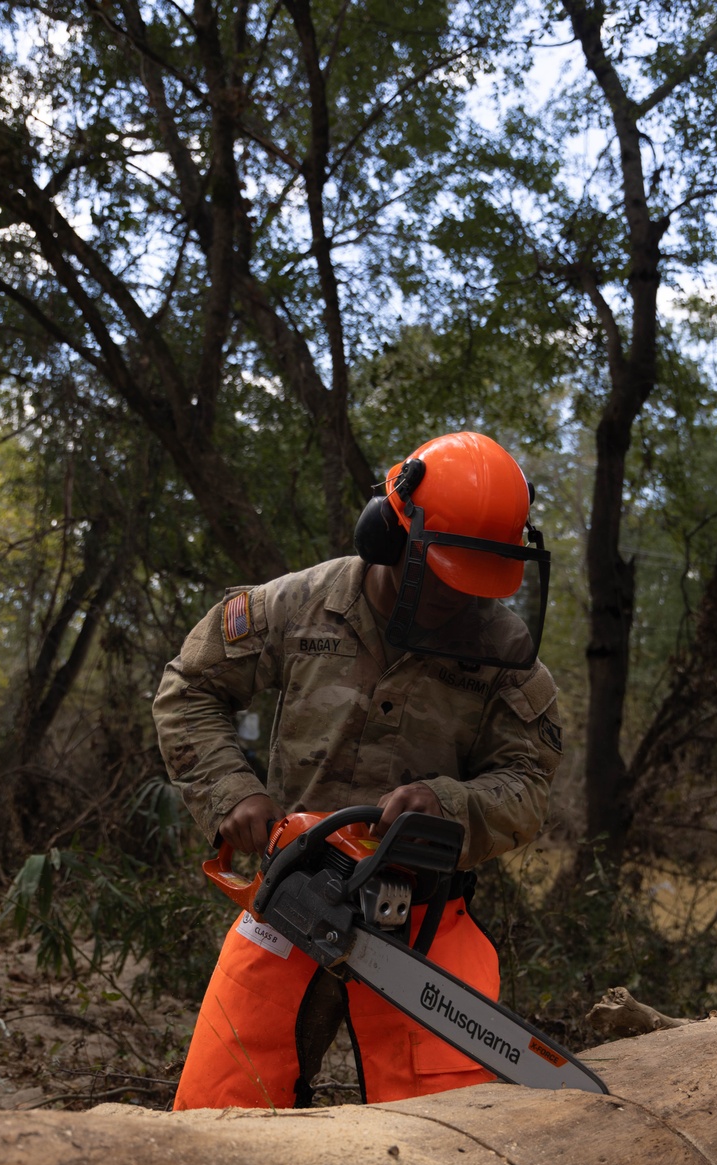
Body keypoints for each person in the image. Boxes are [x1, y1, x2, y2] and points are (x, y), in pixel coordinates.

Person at [153, 430, 563, 1110]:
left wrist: (449, 806)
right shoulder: (300, 605)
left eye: (474, 585)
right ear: (387, 536)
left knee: (452, 1138)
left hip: (423, 918)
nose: (459, 602)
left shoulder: (502, 656)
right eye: (443, 580)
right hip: (294, 897)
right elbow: (189, 687)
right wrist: (232, 789)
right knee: (223, 1110)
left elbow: (526, 784)